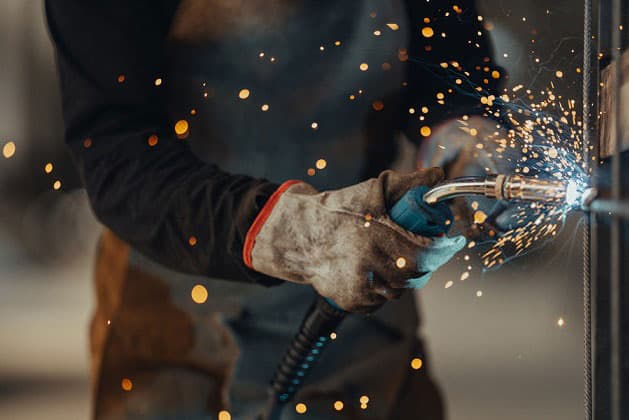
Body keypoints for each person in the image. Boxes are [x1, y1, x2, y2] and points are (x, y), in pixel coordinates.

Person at [46, 0, 500, 418]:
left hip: (366, 318)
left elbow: (450, 72)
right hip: (179, 326)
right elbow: (116, 155)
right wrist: (296, 235)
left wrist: (468, 133)